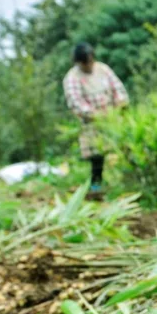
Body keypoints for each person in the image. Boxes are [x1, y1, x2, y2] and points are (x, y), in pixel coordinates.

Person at [62, 42, 129, 197]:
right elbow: (76, 103)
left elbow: (118, 88)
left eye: (91, 61)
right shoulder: (72, 78)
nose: (89, 65)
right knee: (97, 156)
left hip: (114, 117)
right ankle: (96, 187)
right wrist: (96, 114)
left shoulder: (103, 69)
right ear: (78, 63)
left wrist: (120, 103)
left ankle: (123, 184)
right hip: (92, 122)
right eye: (85, 63)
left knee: (122, 149)